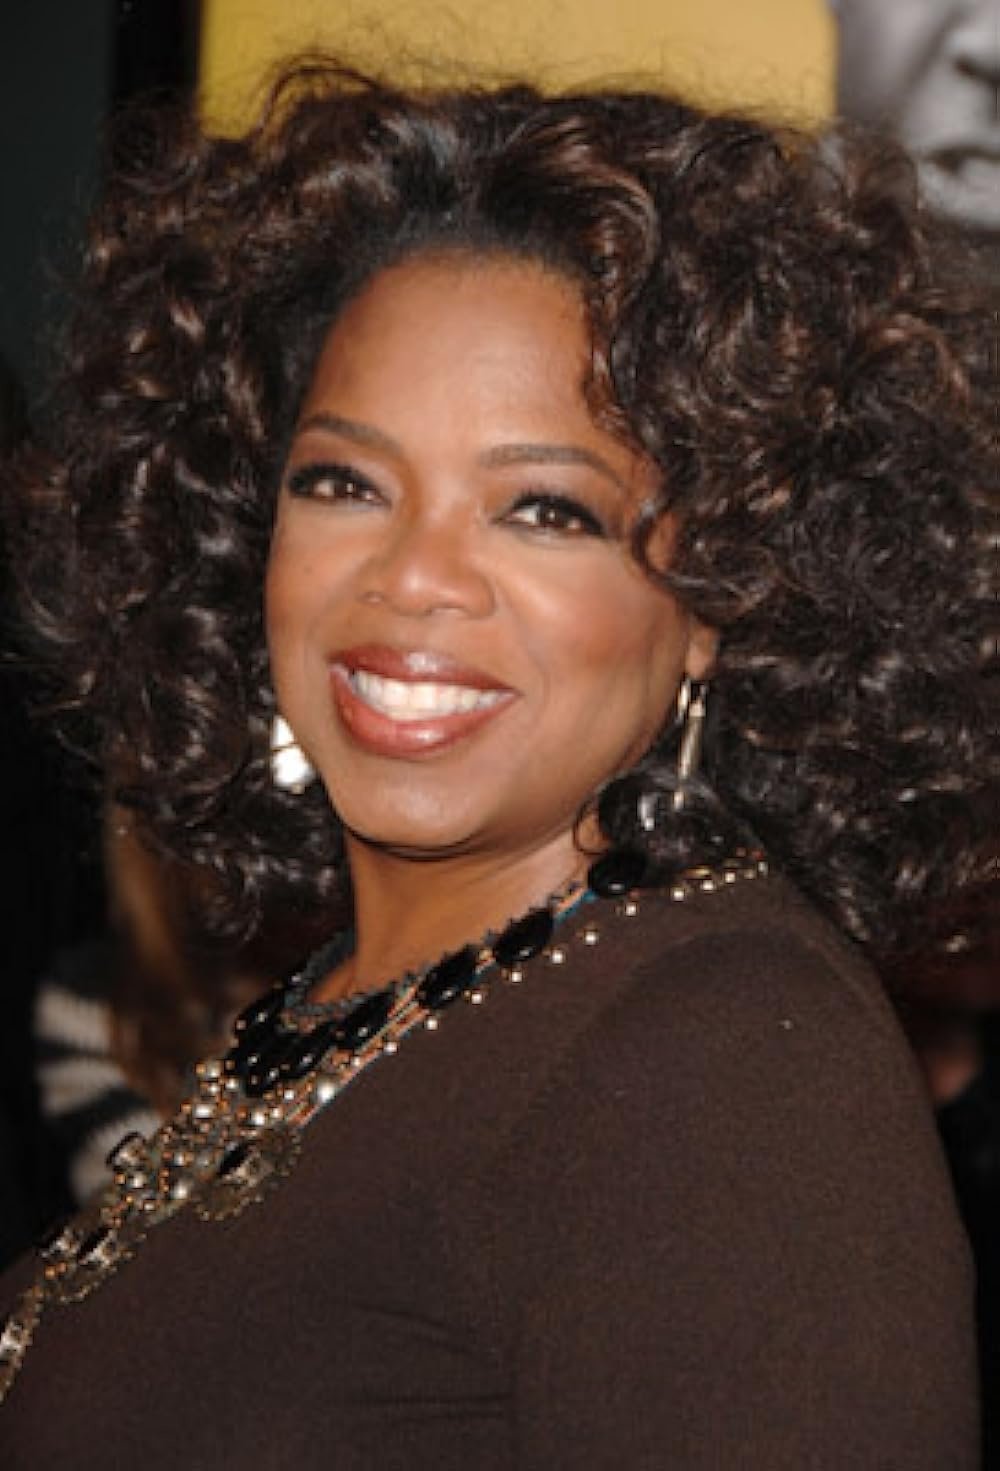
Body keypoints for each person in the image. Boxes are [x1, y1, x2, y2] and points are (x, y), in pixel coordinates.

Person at [0, 63, 990, 1466]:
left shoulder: (718, 1060)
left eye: (543, 510)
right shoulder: (360, 1011)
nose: (413, 578)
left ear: (718, 596)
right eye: (343, 482)